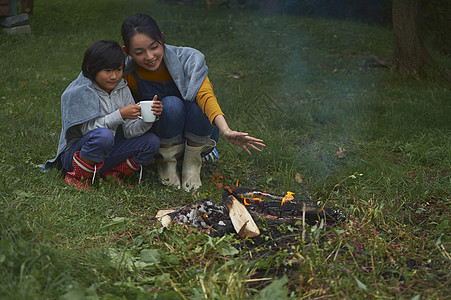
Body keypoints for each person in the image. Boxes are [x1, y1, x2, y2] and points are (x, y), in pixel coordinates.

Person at [121, 13, 266, 191]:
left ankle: (192, 163)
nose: (150, 56)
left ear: (162, 39)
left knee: (198, 102)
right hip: (161, 135)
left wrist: (226, 130)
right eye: (139, 52)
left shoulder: (188, 59)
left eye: (154, 47)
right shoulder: (125, 73)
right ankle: (167, 162)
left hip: (198, 133)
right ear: (127, 52)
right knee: (172, 104)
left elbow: (206, 95)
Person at [42, 40, 162, 190]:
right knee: (103, 136)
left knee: (151, 141)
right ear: (90, 69)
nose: (114, 76)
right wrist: (120, 115)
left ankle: (113, 173)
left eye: (118, 69)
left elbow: (130, 132)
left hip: (108, 152)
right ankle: (78, 176)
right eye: (107, 71)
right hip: (77, 155)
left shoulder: (122, 89)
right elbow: (85, 131)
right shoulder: (82, 91)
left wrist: (148, 118)